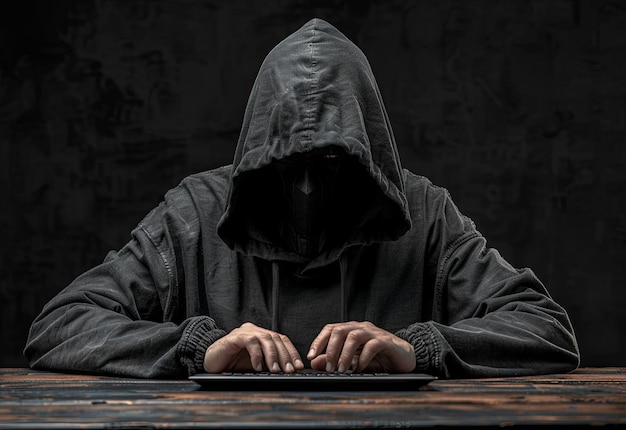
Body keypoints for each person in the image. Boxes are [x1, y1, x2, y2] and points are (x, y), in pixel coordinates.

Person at [24, 18, 579, 379]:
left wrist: (421, 349)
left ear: (367, 158)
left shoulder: (425, 214)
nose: (309, 187)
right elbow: (62, 325)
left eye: (332, 164)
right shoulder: (193, 214)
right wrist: (194, 349)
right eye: (289, 166)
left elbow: (544, 328)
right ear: (259, 153)